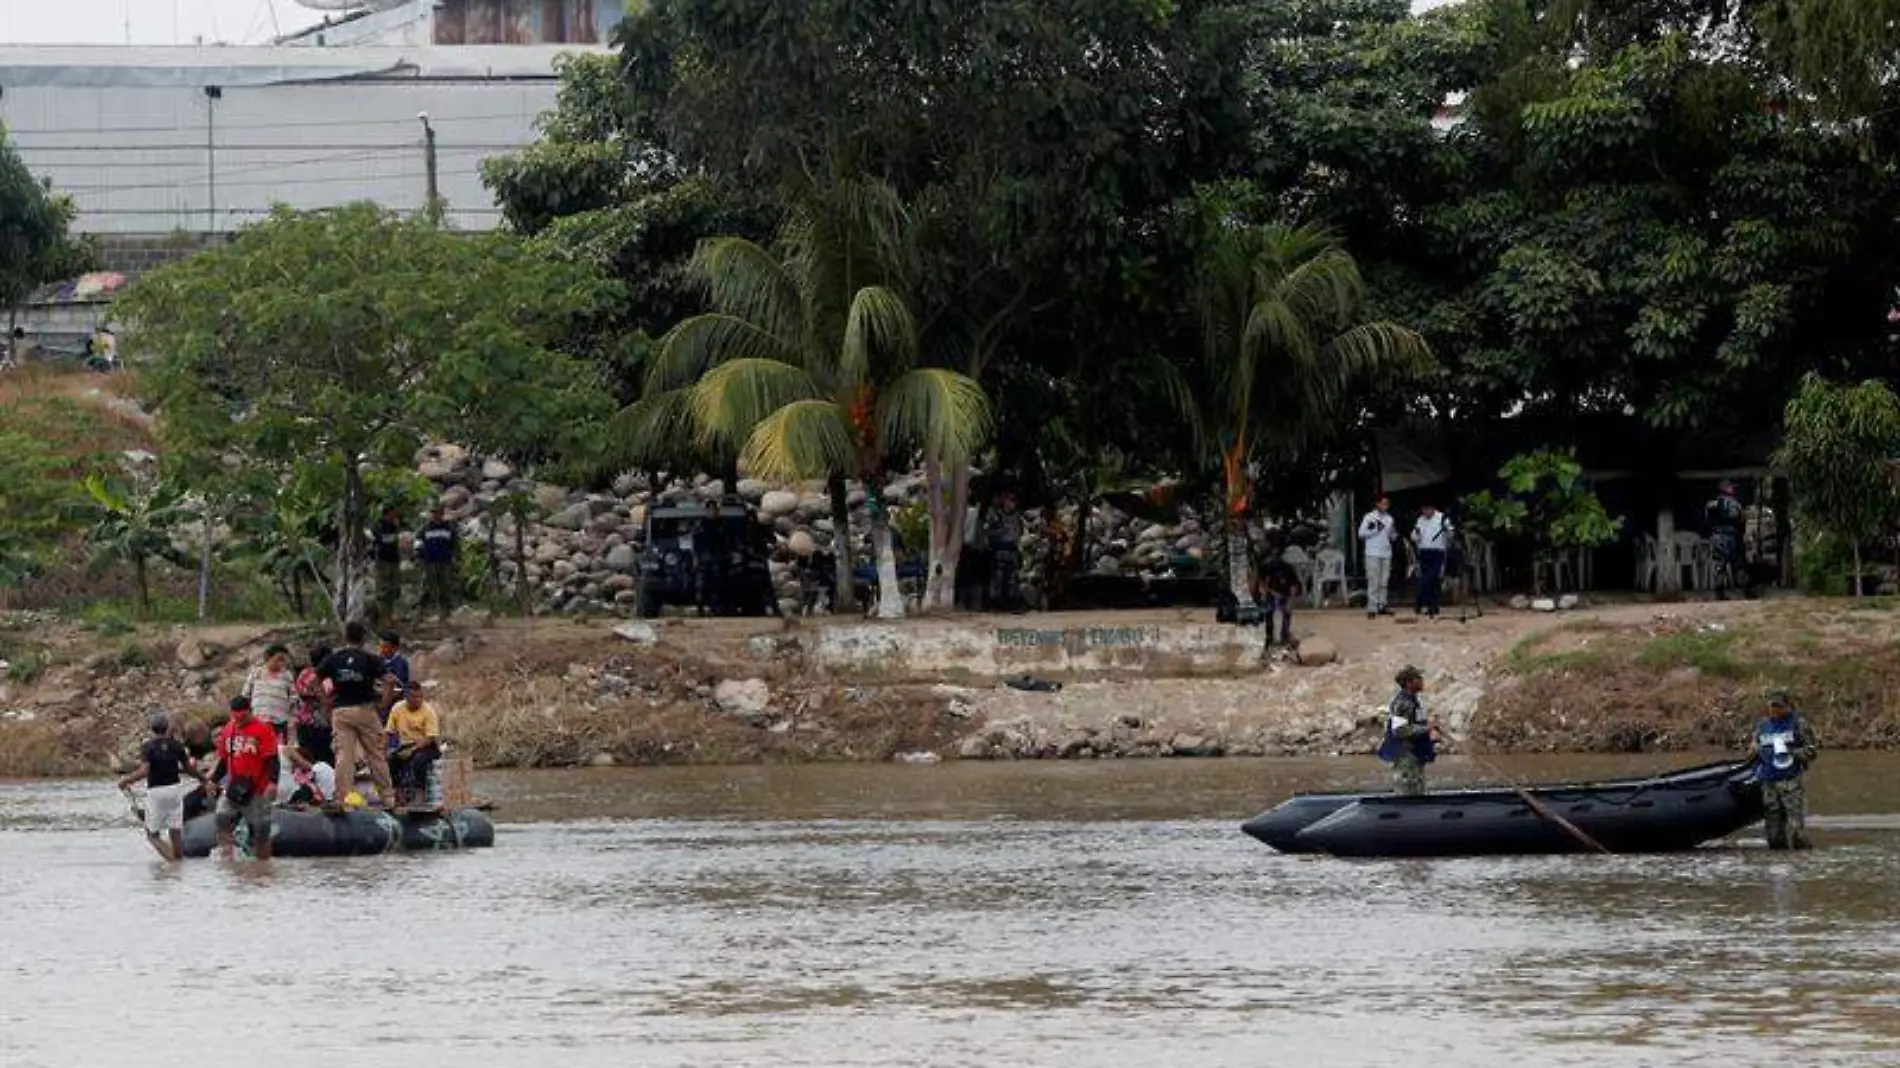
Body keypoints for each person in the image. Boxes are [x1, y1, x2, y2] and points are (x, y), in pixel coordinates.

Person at [317, 621, 394, 811]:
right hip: (365, 709)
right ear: (363, 638)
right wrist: (385, 702)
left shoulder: (334, 659)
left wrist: (326, 701)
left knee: (344, 756)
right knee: (376, 754)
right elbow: (389, 680)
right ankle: (388, 799)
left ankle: (343, 799)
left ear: (345, 637)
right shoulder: (370, 659)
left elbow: (316, 678)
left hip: (341, 711)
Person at [117, 712, 206, 862]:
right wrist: (203, 779)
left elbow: (145, 770)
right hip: (175, 790)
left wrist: (126, 781)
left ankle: (173, 863)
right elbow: (189, 769)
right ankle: (180, 865)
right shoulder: (177, 746)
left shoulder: (148, 747)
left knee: (152, 835)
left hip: (156, 792)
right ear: (167, 728)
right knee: (175, 830)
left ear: (152, 729)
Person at [212, 696, 279, 860]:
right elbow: (223, 759)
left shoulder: (263, 729)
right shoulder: (228, 729)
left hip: (258, 789)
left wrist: (273, 782)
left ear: (250, 711)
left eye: (242, 717)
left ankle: (263, 868)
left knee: (261, 832)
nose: (239, 721)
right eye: (235, 718)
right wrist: (212, 780)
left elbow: (272, 759)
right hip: (234, 787)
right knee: (222, 817)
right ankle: (228, 859)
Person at [1754, 692, 1818, 850]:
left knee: (1797, 832)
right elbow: (1755, 747)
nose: (1774, 710)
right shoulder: (1762, 725)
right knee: (1774, 836)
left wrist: (1792, 753)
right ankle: (1779, 864)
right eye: (1772, 706)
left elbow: (1812, 751)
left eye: (1778, 706)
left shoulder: (1798, 723)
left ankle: (1803, 861)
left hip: (1790, 782)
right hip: (1768, 782)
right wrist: (1754, 749)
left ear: (1788, 707)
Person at [1376, 665, 1440, 796]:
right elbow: (1399, 731)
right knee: (1408, 789)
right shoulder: (1402, 703)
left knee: (1417, 787)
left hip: (1415, 753)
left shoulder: (1413, 701)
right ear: (1408, 682)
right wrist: (1426, 728)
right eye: (1418, 678)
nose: (1422, 681)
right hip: (1406, 755)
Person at [386, 682, 443, 810]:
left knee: (419, 760)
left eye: (420, 697)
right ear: (406, 697)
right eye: (414, 697)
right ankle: (397, 795)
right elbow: (389, 732)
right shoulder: (397, 708)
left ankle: (420, 796)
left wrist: (412, 750)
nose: (418, 700)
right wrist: (385, 749)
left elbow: (430, 737)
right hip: (405, 745)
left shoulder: (428, 711)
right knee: (391, 760)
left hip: (427, 746)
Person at [242, 643, 297, 743]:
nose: (282, 663)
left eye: (284, 660)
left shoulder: (287, 675)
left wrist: (291, 718)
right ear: (268, 657)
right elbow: (245, 695)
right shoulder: (256, 673)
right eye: (279, 659)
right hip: (258, 720)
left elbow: (293, 698)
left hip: (279, 722)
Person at [292, 643, 336, 767]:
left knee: (307, 761)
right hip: (323, 725)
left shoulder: (304, 673)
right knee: (326, 761)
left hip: (304, 722)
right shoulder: (325, 677)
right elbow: (328, 699)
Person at [1705, 481, 1748, 599]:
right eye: (1730, 487)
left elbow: (1708, 520)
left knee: (1720, 565)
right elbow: (1737, 519)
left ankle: (1719, 593)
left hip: (1717, 536)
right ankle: (1745, 590)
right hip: (1731, 536)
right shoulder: (1734, 504)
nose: (1733, 490)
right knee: (1737, 564)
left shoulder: (1711, 504)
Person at [417, 504, 459, 620]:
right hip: (429, 561)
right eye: (434, 513)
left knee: (444, 586)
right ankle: (422, 611)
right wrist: (420, 558)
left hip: (444, 561)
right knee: (427, 585)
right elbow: (418, 544)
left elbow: (455, 545)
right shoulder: (424, 529)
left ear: (442, 514)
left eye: (438, 513)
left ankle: (444, 611)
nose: (436, 516)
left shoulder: (448, 528)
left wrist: (456, 558)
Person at [1358, 494, 1397, 618]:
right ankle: (1372, 607)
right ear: (1377, 504)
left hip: (1386, 552)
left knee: (1384, 580)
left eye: (1387, 504)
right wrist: (1375, 530)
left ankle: (1382, 604)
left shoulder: (1389, 519)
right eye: (1383, 503)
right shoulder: (1369, 517)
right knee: (1373, 580)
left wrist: (1393, 534)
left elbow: (1392, 537)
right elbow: (1361, 533)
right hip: (1372, 553)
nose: (1385, 506)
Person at [1412, 503, 1451, 620]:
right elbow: (1414, 537)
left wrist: (1447, 530)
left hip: (1437, 552)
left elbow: (1450, 535)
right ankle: (1432, 606)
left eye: (1428, 509)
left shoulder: (1442, 518)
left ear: (1433, 508)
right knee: (1427, 579)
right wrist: (1416, 534)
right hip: (1424, 552)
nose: (1426, 512)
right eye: (1423, 510)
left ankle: (1422, 602)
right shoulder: (1420, 520)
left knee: (1432, 577)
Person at [1259, 546, 1302, 650]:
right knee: (1269, 611)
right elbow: (1262, 583)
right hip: (1272, 590)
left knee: (1285, 612)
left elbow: (1294, 586)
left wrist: (1290, 601)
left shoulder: (1286, 568)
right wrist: (1267, 593)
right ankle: (1270, 637)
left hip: (1284, 590)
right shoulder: (1265, 567)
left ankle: (1284, 636)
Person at [987, 493, 1024, 611]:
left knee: (1012, 578)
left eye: (1013, 501)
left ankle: (1011, 603)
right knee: (998, 578)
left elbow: (1020, 532)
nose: (1010, 503)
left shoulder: (1018, 516)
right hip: (999, 548)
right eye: (1008, 500)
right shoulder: (996, 515)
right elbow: (988, 532)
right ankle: (996, 604)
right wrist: (1001, 531)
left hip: (1012, 548)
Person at [693, 500, 729, 617]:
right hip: (704, 556)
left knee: (717, 583)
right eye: (710, 509)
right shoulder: (701, 524)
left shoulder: (722, 524)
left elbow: (727, 540)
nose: (712, 512)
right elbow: (695, 541)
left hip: (717, 556)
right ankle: (700, 608)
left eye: (714, 509)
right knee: (701, 584)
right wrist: (696, 557)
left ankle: (716, 607)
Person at [373, 504, 405, 623]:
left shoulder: (394, 525)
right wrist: (397, 537)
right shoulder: (379, 525)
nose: (395, 515)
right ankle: (383, 616)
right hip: (383, 560)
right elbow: (381, 541)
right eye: (393, 512)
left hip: (394, 559)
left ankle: (390, 615)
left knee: (394, 589)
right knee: (383, 590)